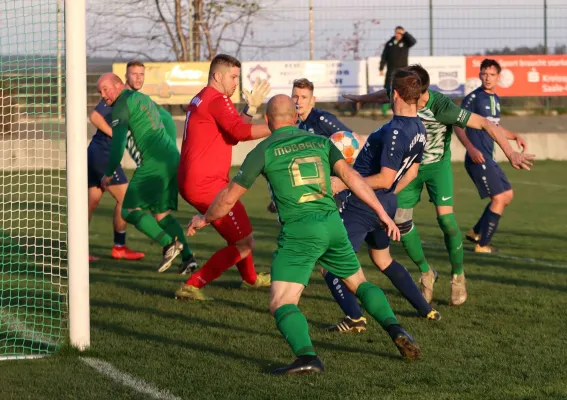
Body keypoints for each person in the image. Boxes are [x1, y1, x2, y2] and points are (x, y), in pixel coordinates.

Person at [186, 94, 421, 375]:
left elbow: (227, 198)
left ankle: (307, 356)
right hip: (333, 225)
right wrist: (382, 214)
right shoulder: (322, 143)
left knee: (281, 302)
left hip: (300, 231)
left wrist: (204, 218)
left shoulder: (263, 149)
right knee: (358, 281)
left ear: (267, 120)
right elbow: (351, 177)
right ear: (295, 118)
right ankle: (396, 328)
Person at [337, 65, 534, 309]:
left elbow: (484, 123)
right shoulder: (404, 93)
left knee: (447, 222)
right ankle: (426, 272)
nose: (400, 98)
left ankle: (458, 275)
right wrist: (360, 99)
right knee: (400, 223)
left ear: (421, 92)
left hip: (437, 168)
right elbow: (384, 94)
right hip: (409, 169)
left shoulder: (442, 107)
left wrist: (510, 152)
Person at [324, 68, 440, 334]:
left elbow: (385, 178)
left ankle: (354, 318)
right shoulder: (419, 127)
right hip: (384, 204)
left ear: (395, 94)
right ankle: (426, 308)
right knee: (382, 259)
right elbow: (410, 172)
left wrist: (343, 182)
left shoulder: (397, 130)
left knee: (332, 264)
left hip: (362, 203)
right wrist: (387, 198)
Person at [174, 54, 272, 301]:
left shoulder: (203, 97)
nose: (236, 83)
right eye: (233, 77)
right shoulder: (217, 98)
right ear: (217, 76)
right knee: (244, 243)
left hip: (194, 181)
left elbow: (232, 134)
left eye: (238, 77)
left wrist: (250, 110)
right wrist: (280, 127)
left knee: (239, 236)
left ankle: (250, 279)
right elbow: (239, 131)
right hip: (206, 184)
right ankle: (191, 285)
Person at [98, 73, 189, 273]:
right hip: (172, 159)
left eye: (106, 89)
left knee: (127, 210)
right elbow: (167, 119)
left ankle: (168, 244)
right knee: (162, 214)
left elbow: (119, 143)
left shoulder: (122, 105)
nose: (103, 95)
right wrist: (169, 147)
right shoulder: (143, 98)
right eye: (100, 92)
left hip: (153, 164)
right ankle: (188, 258)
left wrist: (109, 172)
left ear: (118, 84)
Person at [454, 59, 526, 253]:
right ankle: (482, 245)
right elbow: (457, 124)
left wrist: (514, 136)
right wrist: (470, 147)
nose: (487, 78)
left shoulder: (495, 99)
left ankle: (476, 232)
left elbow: (494, 126)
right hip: (478, 157)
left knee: (507, 195)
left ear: (498, 77)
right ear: (479, 75)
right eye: (484, 74)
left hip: (489, 156)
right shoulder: (473, 98)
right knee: (499, 198)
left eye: (492, 74)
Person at [266, 78, 361, 214]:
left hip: (336, 191)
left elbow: (354, 139)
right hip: (317, 190)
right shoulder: (300, 125)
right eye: (295, 96)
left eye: (304, 97)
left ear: (312, 100)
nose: (298, 101)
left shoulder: (322, 119)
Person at [87, 61, 147, 262]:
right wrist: (115, 134)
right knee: (127, 199)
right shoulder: (117, 96)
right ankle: (119, 247)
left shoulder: (134, 99)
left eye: (141, 74)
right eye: (134, 74)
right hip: (103, 154)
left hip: (96, 153)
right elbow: (94, 116)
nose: (138, 78)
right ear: (125, 79)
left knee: (90, 203)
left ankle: (78, 251)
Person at [379, 26, 416, 116]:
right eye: (397, 33)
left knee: (403, 90)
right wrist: (381, 67)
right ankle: (384, 111)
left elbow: (413, 41)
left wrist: (405, 33)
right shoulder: (389, 43)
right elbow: (384, 56)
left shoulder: (406, 42)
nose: (398, 35)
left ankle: (404, 111)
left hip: (403, 71)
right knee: (388, 90)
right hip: (391, 71)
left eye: (400, 33)